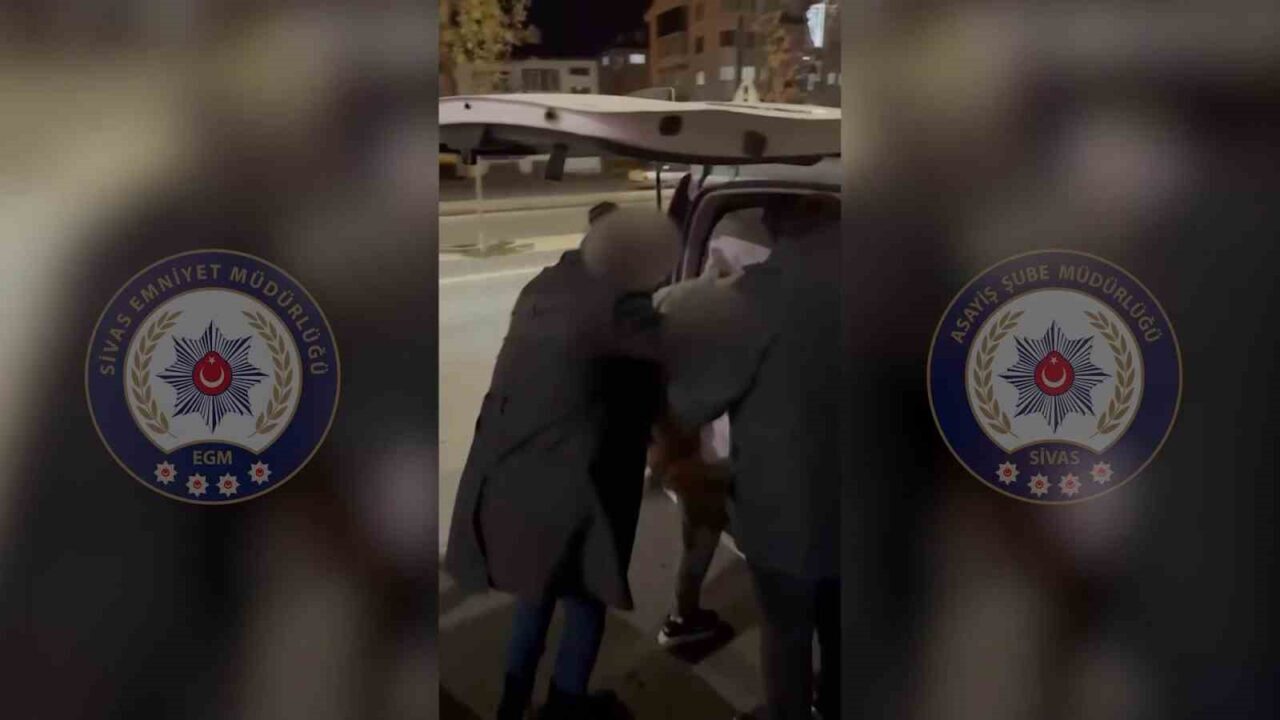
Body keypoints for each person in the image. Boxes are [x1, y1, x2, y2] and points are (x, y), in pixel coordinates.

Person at [444, 205, 680, 719]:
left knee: (537, 593)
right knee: (587, 594)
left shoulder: (544, 284)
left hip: (516, 469)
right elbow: (670, 363)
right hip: (576, 481)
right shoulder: (618, 302)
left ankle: (512, 705)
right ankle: (566, 704)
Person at [660, 195, 841, 720]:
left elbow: (691, 402)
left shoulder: (755, 298)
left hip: (786, 514)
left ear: (777, 223)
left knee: (786, 634)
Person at [649, 212, 773, 648]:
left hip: (684, 448)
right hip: (740, 452)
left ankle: (681, 617)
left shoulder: (668, 298)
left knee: (698, 538)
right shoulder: (765, 310)